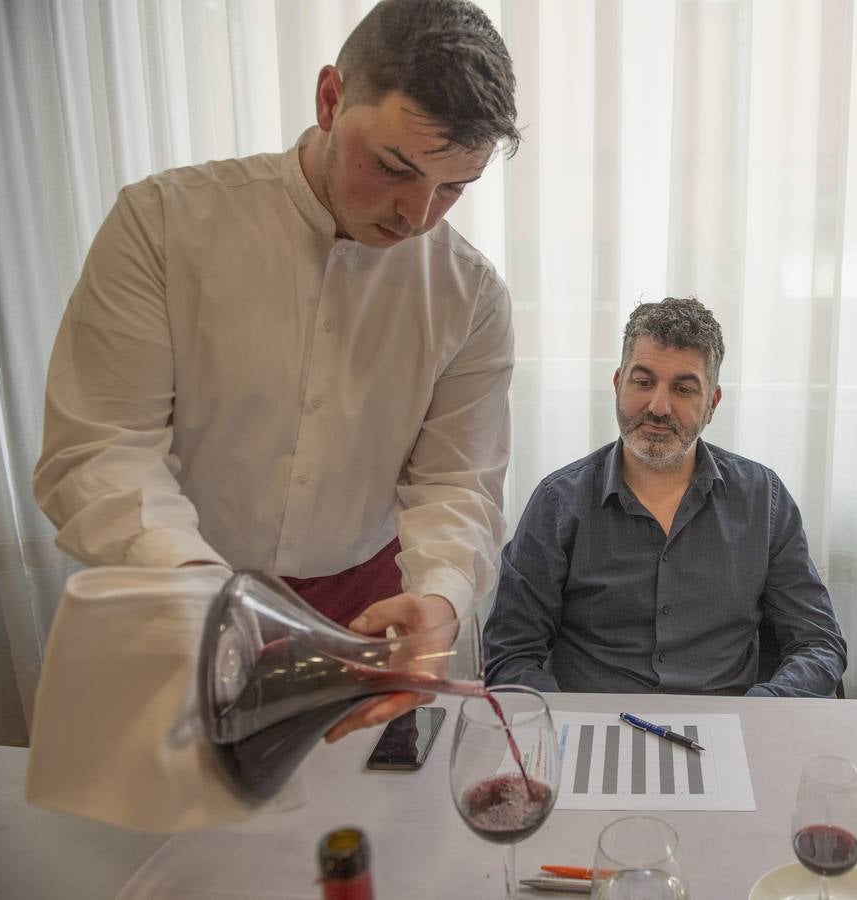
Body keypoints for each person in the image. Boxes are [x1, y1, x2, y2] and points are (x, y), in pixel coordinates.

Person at [33, 0, 519, 739]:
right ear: (330, 99)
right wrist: (204, 598)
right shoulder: (162, 225)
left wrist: (445, 597)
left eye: (454, 187)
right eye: (394, 167)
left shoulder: (471, 295)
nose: (417, 216)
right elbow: (100, 446)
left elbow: (456, 481)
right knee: (178, 844)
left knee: (355, 837)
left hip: (364, 608)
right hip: (178, 588)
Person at [483, 297, 847, 696]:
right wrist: (563, 730)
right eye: (643, 382)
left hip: (728, 729)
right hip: (597, 728)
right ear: (618, 384)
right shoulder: (557, 503)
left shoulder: (763, 499)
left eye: (684, 389)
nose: (658, 406)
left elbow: (818, 644)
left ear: (712, 403)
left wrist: (761, 712)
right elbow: (511, 653)